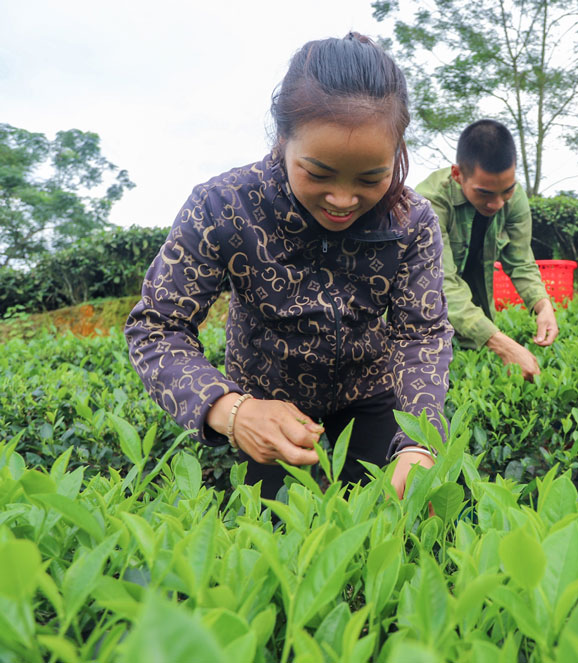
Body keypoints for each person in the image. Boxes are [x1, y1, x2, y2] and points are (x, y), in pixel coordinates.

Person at [124, 34, 453, 502]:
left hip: (372, 402)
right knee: (280, 546)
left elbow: (421, 333)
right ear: (283, 139)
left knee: (392, 534)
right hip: (266, 414)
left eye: (370, 178)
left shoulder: (410, 220)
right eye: (317, 173)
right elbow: (157, 326)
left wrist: (420, 440)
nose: (342, 200)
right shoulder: (223, 206)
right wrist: (230, 409)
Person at [414, 120, 558, 380]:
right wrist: (501, 343)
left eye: (507, 190)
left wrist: (542, 304)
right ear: (457, 174)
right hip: (421, 321)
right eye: (484, 193)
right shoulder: (429, 202)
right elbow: (440, 283)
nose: (497, 203)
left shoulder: (514, 198)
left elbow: (521, 260)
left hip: (474, 320)